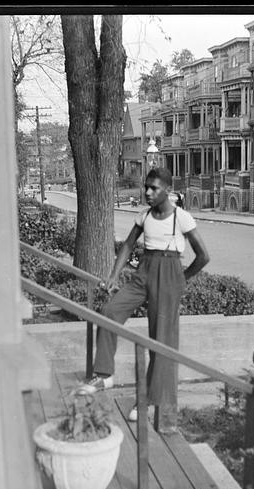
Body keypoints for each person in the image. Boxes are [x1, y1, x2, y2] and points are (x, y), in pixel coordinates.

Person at [76, 167, 210, 435]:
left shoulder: (181, 218)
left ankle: (145, 400)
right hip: (144, 271)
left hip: (170, 271)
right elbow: (127, 245)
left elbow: (203, 256)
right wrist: (114, 276)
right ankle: (104, 375)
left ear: (167, 192)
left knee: (160, 340)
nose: (148, 192)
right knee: (111, 311)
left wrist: (182, 279)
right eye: (146, 186)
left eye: (154, 188)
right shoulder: (145, 215)